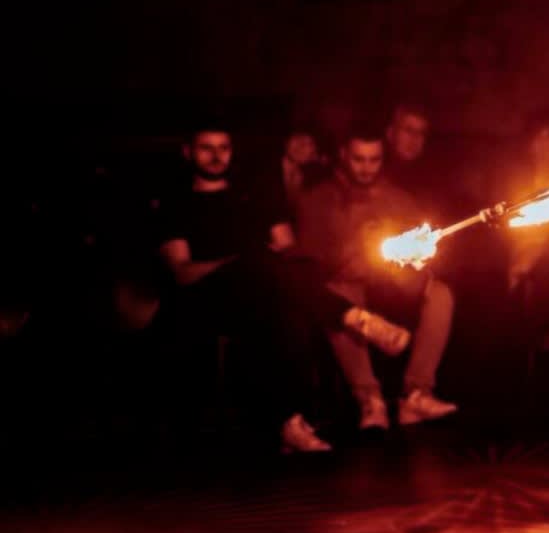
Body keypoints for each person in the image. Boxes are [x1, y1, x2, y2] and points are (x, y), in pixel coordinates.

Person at [156, 118, 410, 453]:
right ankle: (354, 318)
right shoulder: (177, 205)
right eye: (207, 148)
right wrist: (240, 263)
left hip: (262, 290)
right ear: (188, 152)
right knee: (262, 267)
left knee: (284, 295)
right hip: (208, 296)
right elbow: (181, 273)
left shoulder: (250, 199)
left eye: (223, 148)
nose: (217, 156)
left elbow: (289, 250)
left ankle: (291, 423)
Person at [297, 125, 457, 431]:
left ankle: (416, 394)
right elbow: (311, 262)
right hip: (346, 286)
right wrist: (355, 248)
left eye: (374, 160)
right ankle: (370, 400)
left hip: (391, 288)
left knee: (440, 293)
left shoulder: (397, 198)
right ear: (344, 155)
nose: (366, 168)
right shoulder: (319, 199)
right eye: (359, 159)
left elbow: (414, 254)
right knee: (340, 295)